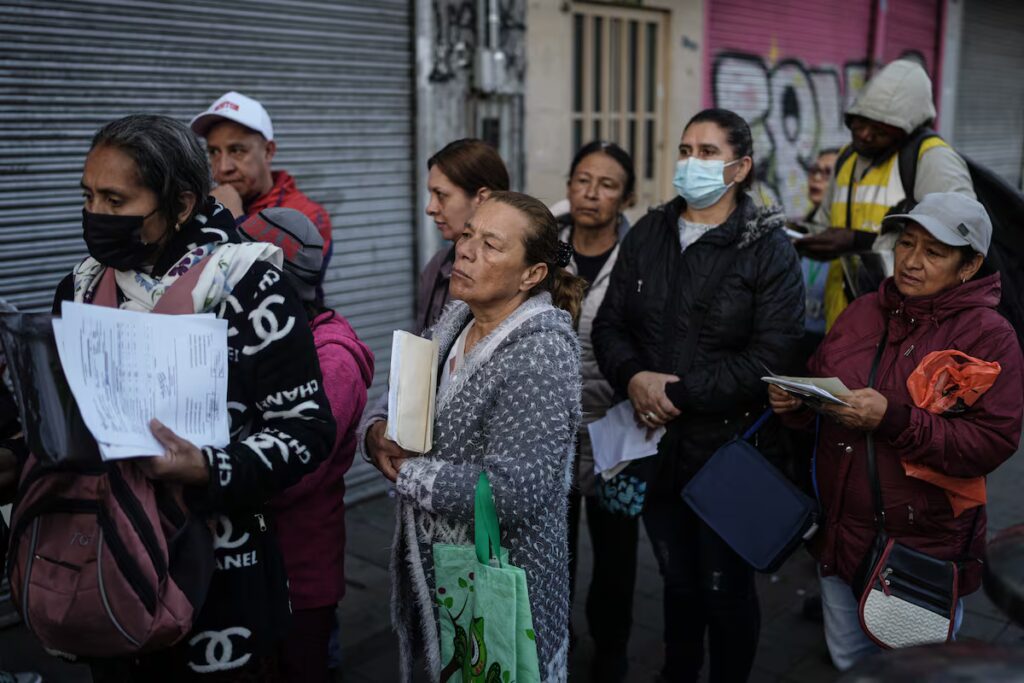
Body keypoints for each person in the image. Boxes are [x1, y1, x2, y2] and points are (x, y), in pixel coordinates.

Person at [61, 114, 335, 680]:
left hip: (220, 586)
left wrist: (208, 466)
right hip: (108, 572)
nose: (96, 216)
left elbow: (307, 431)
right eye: (88, 197)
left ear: (181, 204)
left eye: (116, 199)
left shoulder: (249, 285)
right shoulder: (83, 285)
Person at [592, 108, 805, 683]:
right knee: (677, 582)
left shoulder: (768, 248)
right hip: (657, 450)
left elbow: (773, 354)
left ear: (740, 167)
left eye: (708, 152)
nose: (692, 162)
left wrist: (680, 393)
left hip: (730, 453)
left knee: (725, 590)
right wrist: (634, 377)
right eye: (686, 149)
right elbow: (610, 325)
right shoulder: (652, 233)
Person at [770, 192, 1024, 671]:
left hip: (920, 548)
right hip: (839, 535)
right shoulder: (863, 311)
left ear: (968, 267)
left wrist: (893, 419)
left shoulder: (990, 337)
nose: (911, 261)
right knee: (850, 661)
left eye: (934, 252)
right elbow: (820, 381)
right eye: (907, 244)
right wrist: (798, 406)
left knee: (919, 671)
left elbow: (990, 443)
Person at [360, 191, 585, 681]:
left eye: (491, 245)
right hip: (442, 574)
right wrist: (376, 432)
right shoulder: (457, 320)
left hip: (504, 583)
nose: (465, 250)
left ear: (532, 275)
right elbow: (403, 396)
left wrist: (410, 474)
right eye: (468, 235)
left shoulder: (540, 357)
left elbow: (513, 491)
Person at [237, 208, 374, 683]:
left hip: (301, 572)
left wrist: (212, 474)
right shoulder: (267, 342)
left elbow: (295, 473)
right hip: (256, 565)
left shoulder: (332, 361)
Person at [796, 60, 975, 330]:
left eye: (880, 131)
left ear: (907, 131)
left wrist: (859, 242)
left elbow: (960, 244)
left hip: (901, 328)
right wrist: (807, 234)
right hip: (842, 323)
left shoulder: (932, 160)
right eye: (859, 124)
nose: (865, 135)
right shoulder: (846, 157)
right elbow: (827, 222)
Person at [555, 141, 639, 683]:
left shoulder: (641, 256)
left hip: (618, 427)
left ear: (625, 196)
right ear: (569, 185)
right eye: (583, 179)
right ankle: (554, 631)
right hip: (551, 424)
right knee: (551, 543)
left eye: (607, 184)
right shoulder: (545, 245)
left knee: (617, 551)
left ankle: (611, 646)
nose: (592, 193)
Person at [190, 91, 333, 283]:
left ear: (268, 151)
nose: (223, 167)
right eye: (214, 151)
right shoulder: (207, 206)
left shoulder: (308, 217)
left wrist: (235, 220)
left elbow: (290, 287)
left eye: (237, 150)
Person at [417, 138, 510, 331]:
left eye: (441, 195)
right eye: (430, 195)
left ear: (481, 198)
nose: (430, 208)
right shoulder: (437, 267)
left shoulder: (513, 277)